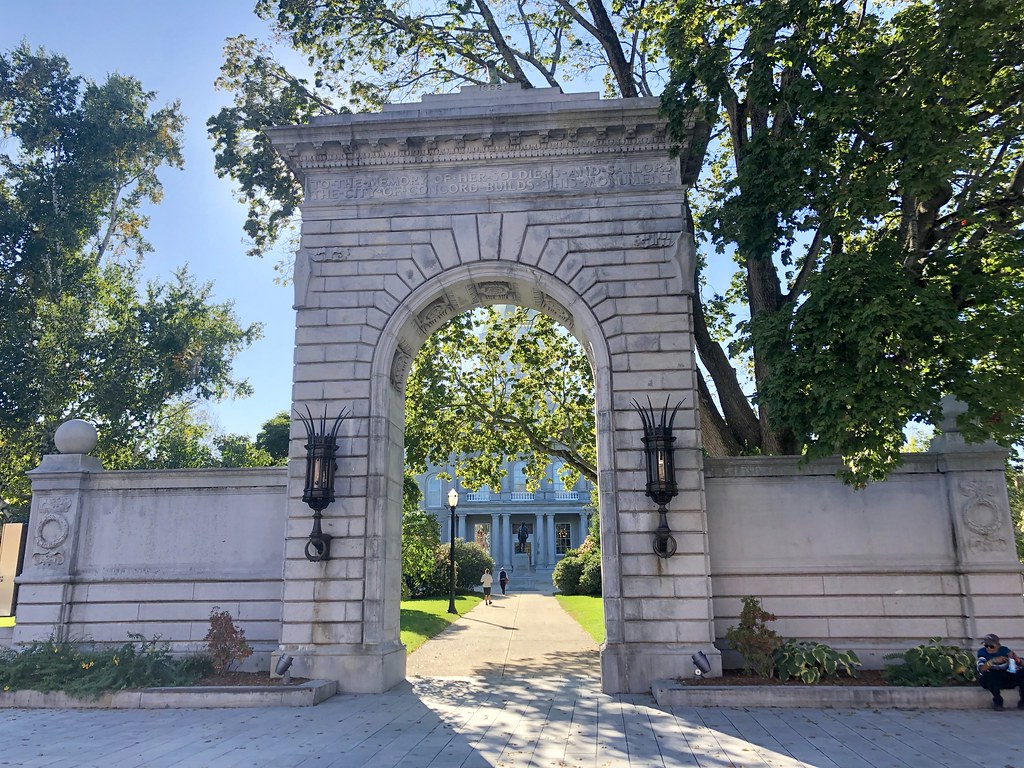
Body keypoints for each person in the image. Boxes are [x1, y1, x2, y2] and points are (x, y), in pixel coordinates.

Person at [977, 633, 1023, 710]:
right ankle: (998, 702)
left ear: (998, 645)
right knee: (990, 675)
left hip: (1005, 677)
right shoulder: (982, 652)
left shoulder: (1005, 651)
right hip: (990, 679)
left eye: (991, 646)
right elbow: (981, 669)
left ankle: (1022, 702)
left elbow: (1014, 669)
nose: (988, 648)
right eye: (986, 645)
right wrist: (992, 661)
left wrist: (1015, 660)